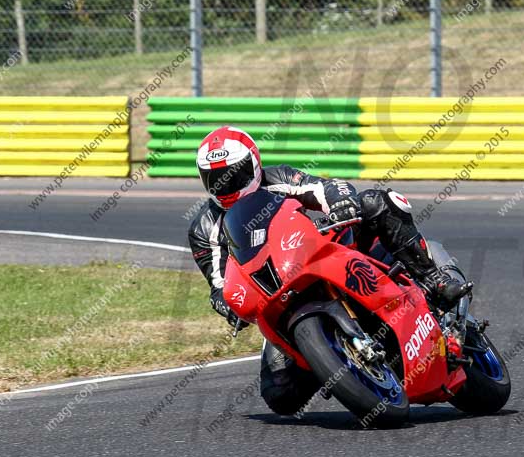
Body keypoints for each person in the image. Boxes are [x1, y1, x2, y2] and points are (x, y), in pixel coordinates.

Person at [188, 126, 472, 415]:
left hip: (318, 253)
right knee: (280, 396)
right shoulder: (204, 227)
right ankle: (330, 360)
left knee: (374, 201)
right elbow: (219, 281)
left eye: (235, 175)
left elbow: (326, 188)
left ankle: (433, 279)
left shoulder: (279, 178)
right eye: (216, 180)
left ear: (254, 163)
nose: (227, 186)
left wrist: (341, 203)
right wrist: (227, 304)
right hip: (276, 294)